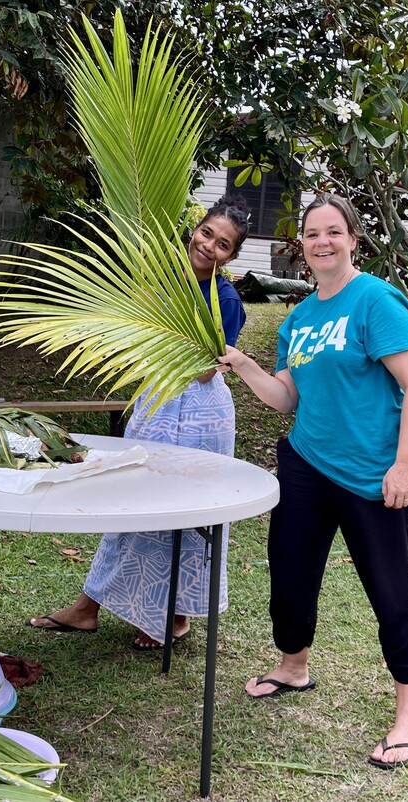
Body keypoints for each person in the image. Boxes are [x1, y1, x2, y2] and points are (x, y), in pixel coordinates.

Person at [217, 193, 408, 769]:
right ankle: (294, 666)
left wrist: (403, 465)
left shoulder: (375, 301)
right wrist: (246, 367)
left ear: (353, 240)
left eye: (333, 232)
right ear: (302, 246)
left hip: (370, 475)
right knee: (290, 575)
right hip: (306, 465)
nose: (322, 242)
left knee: (391, 592)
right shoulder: (300, 317)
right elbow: (288, 397)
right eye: (312, 234)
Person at [28, 194, 248, 649]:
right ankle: (88, 608)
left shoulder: (225, 299)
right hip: (155, 403)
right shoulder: (162, 280)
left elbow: (206, 368)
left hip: (200, 416)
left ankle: (179, 614)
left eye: (223, 244)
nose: (209, 246)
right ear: (197, 228)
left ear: (231, 256)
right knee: (132, 505)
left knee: (189, 514)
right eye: (207, 232)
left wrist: (154, 341)